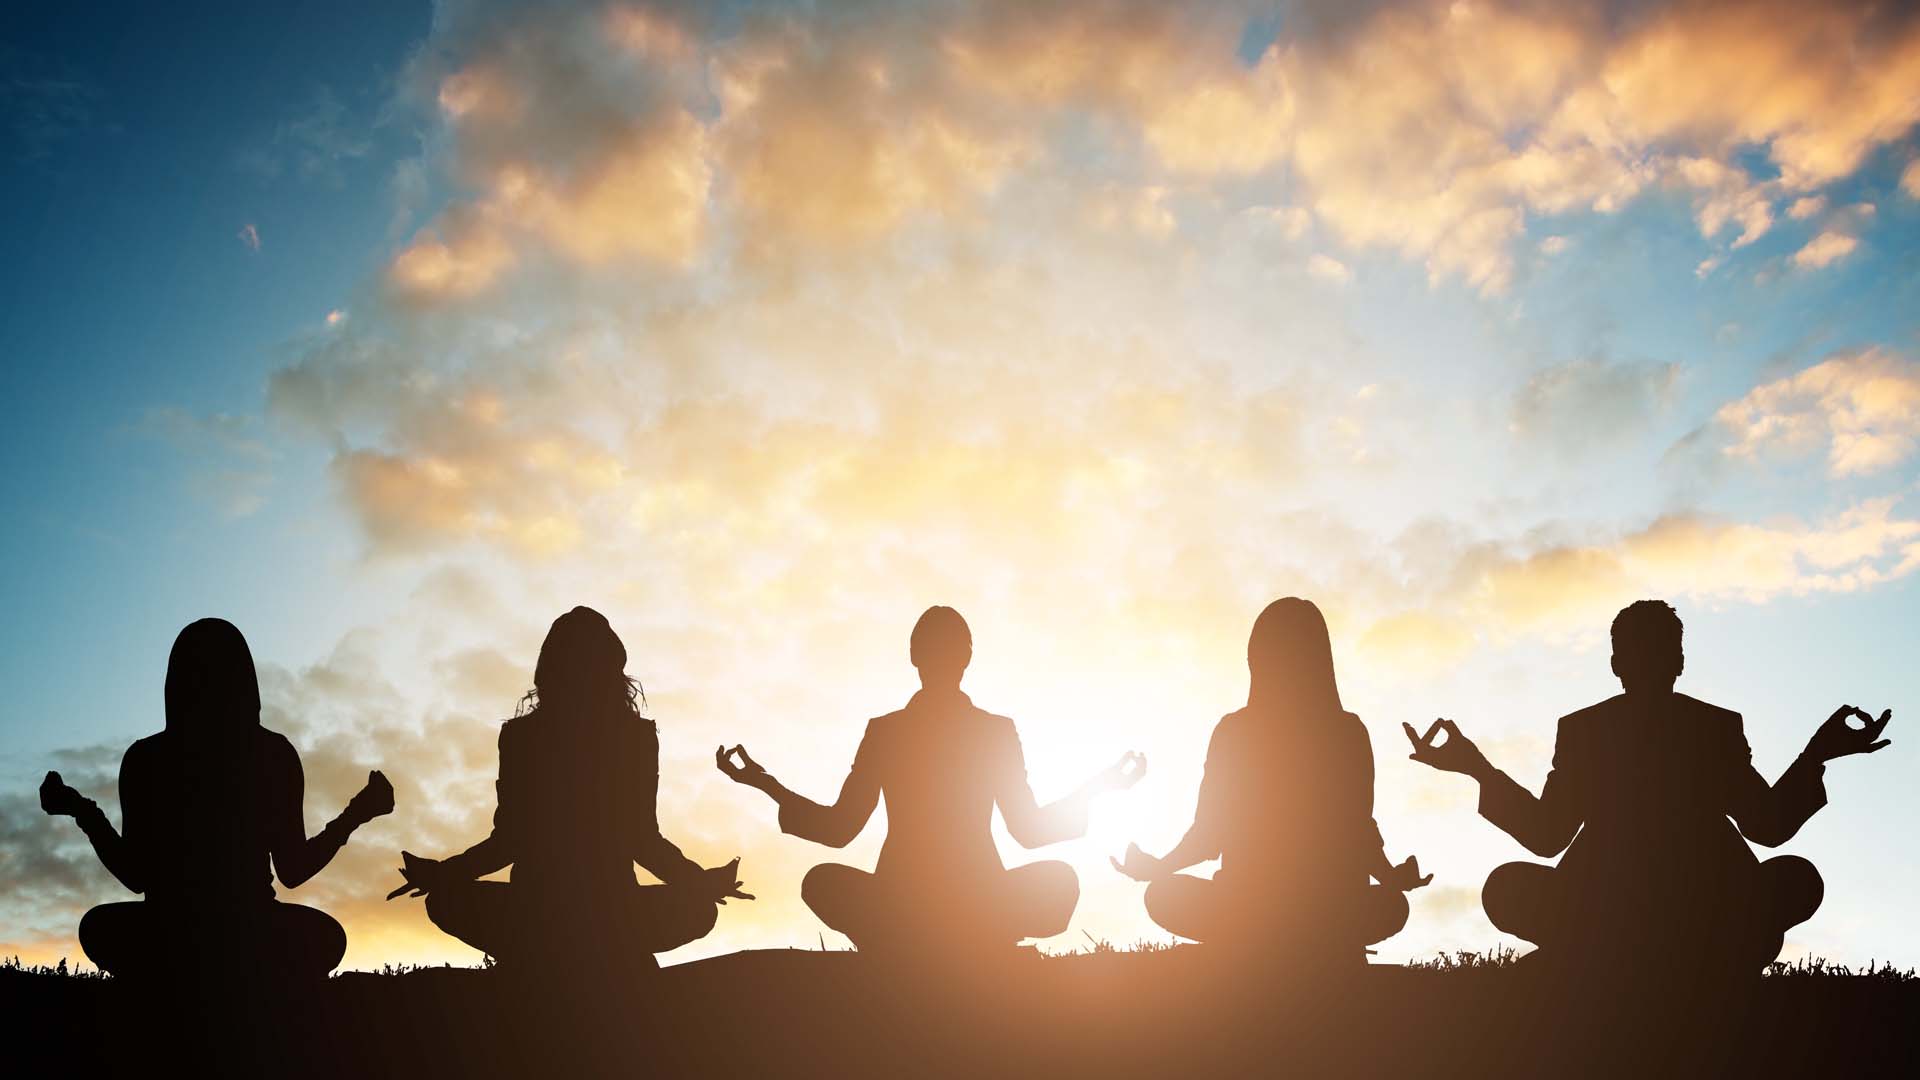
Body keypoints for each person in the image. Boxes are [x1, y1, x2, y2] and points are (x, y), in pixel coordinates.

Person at [1405, 599, 1892, 976]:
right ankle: (1676, 956)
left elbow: (1545, 836)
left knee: (1797, 878)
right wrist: (1816, 755)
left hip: (1681, 904)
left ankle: (1599, 956)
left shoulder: (1667, 727)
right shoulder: (1615, 729)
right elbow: (1767, 825)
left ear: (1621, 663)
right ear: (1672, 661)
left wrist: (1478, 768)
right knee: (1506, 887)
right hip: (1638, 907)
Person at [716, 605, 1145, 956]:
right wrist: (1100, 787)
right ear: (966, 658)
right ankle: (971, 940)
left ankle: (905, 942)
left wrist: (764, 783)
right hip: (969, 903)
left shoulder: (891, 731)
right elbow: (1029, 831)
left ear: (914, 657)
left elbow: (838, 828)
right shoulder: (986, 731)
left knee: (820, 882)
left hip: (912, 903)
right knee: (1061, 881)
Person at [390, 606, 748, 973]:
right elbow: (643, 840)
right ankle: (610, 952)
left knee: (444, 901)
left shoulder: (523, 737)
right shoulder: (632, 737)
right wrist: (699, 882)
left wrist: (444, 876)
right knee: (699, 910)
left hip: (540, 914)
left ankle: (540, 952)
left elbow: (509, 840)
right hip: (608, 916)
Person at [38, 617, 393, 984]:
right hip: (248, 934)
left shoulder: (147, 757)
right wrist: (357, 814)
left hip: (170, 933)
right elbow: (294, 870)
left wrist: (81, 810)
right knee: (326, 938)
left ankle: (176, 977)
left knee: (98, 928)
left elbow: (134, 875)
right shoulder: (272, 753)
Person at [1111, 598, 1428, 965]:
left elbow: (1208, 833)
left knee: (1162, 895)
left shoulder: (1235, 732)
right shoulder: (1349, 732)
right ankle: (1313, 942)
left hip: (1248, 911)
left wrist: (1159, 869)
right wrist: (1390, 877)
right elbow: (1359, 830)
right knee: (1392, 906)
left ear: (1258, 659)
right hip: (1328, 915)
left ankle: (1251, 940)